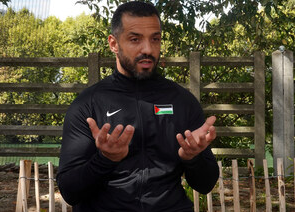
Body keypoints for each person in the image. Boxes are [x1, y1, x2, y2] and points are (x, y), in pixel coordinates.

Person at [56, 1, 219, 211]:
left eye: (155, 39)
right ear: (113, 44)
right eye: (135, 39)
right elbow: (70, 191)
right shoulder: (88, 105)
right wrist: (105, 159)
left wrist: (192, 158)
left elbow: (205, 185)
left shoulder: (182, 101)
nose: (148, 49)